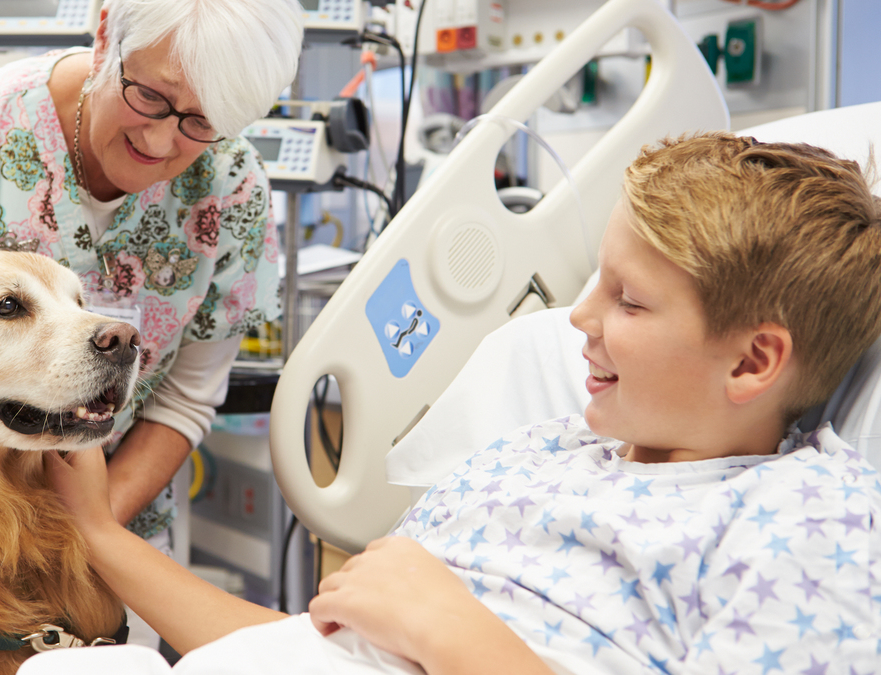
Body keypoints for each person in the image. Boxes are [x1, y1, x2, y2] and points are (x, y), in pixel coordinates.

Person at [45, 133, 881, 674]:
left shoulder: (809, 520)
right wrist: (95, 534)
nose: (578, 319)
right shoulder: (536, 456)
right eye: (595, 281)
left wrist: (452, 632)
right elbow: (309, 643)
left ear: (754, 360)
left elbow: (407, 627)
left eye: (628, 301)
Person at [0, 0, 303, 671]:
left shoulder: (233, 188)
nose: (162, 143)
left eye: (201, 123)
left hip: (111, 553)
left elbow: (184, 400)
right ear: (104, 36)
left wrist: (84, 534)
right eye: (149, 96)